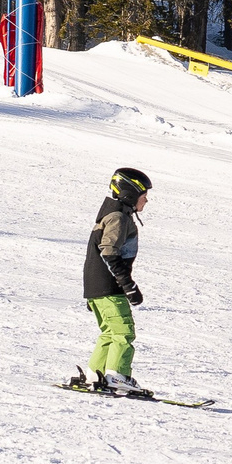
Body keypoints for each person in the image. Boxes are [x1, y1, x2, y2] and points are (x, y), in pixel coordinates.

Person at [71, 167, 151, 395]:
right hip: (109, 287)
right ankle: (117, 375)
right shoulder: (117, 218)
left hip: (99, 286)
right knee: (124, 332)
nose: (146, 200)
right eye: (143, 195)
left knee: (109, 332)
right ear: (130, 194)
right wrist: (128, 285)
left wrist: (94, 292)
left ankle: (94, 374)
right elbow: (108, 252)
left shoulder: (113, 215)